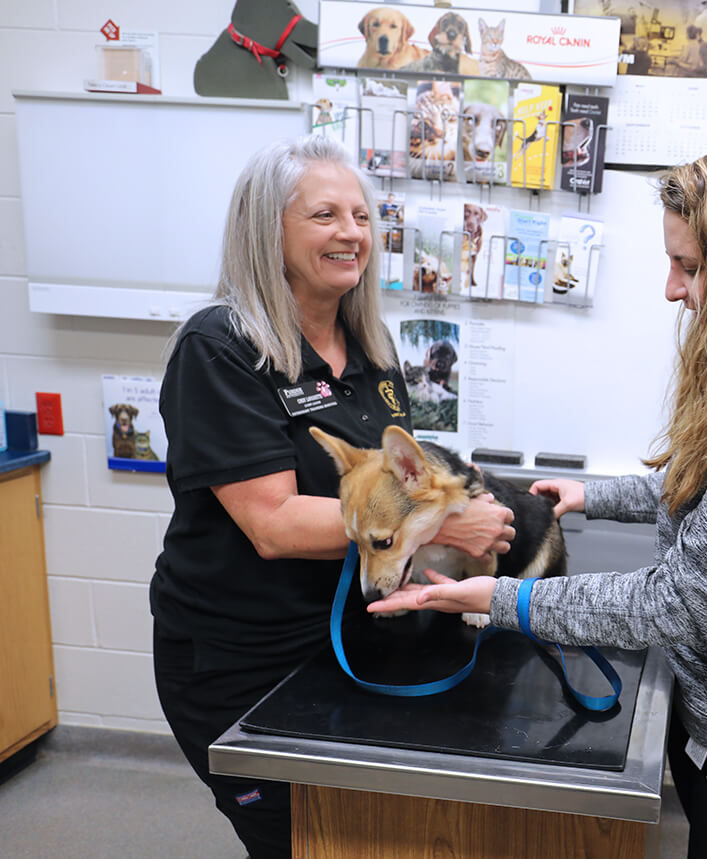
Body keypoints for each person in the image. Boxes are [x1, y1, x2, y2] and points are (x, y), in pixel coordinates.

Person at [367, 137, 707, 858]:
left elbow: (681, 601)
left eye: (689, 266)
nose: (671, 288)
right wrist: (599, 496)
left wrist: (498, 598)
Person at [149, 135, 514, 859]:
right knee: (301, 842)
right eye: (324, 215)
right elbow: (274, 523)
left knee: (369, 836)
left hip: (343, 641)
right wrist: (444, 517)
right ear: (268, 229)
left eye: (360, 215)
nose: (352, 233)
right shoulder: (222, 347)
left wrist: (470, 504)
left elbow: (404, 481)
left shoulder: (372, 349)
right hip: (241, 660)